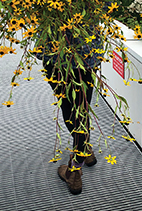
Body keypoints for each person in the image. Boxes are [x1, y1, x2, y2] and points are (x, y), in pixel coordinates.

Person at [37, 29, 103, 195]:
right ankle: (84, 149)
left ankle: (74, 171)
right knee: (81, 109)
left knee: (70, 108)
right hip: (87, 52)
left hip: (58, 54)